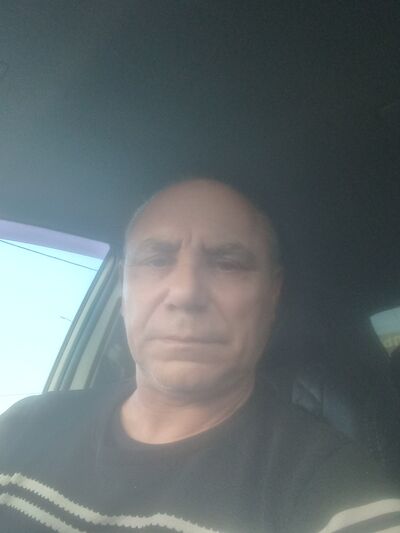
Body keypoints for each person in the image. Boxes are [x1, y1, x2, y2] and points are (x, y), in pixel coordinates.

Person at [0, 177, 399, 532]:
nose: (186, 292)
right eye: (156, 260)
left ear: (272, 295)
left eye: (229, 264)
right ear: (123, 290)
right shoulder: (24, 424)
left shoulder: (333, 489)